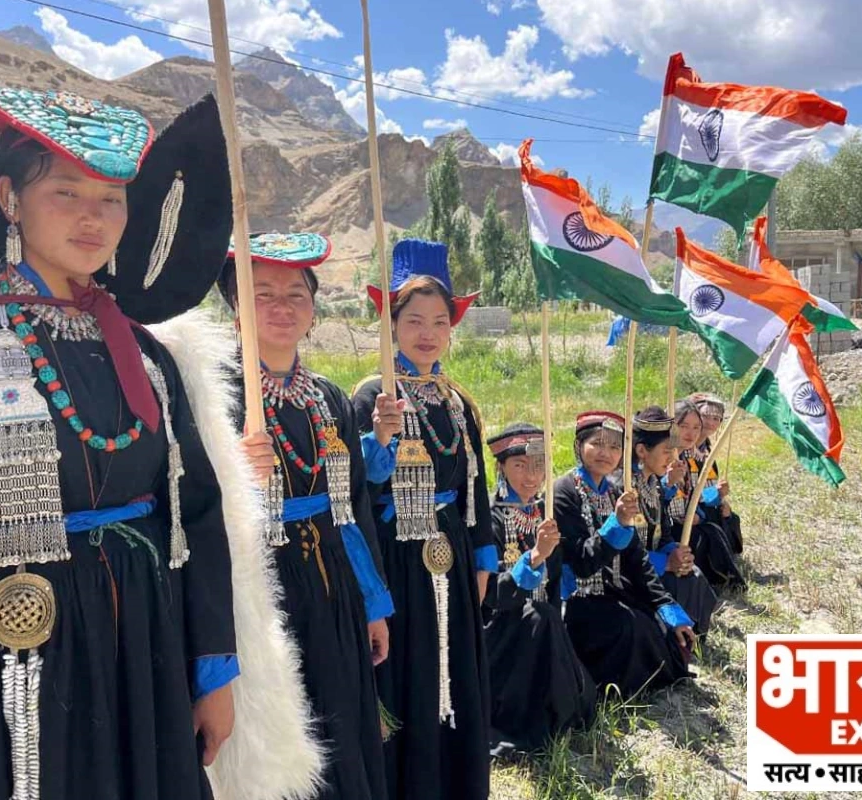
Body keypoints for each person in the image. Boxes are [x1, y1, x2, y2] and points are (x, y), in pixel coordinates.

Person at [0, 60, 317, 800]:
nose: (94, 218)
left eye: (112, 199)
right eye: (66, 192)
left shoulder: (149, 353)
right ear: (9, 198)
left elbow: (196, 515)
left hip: (140, 639)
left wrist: (213, 671)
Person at [223, 232, 400, 800]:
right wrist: (231, 474)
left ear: (314, 310)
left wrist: (372, 604)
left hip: (331, 580)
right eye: (263, 293)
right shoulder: (211, 392)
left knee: (342, 715)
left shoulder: (329, 398)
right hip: (256, 584)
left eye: (296, 294)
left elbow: (352, 513)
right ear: (235, 307)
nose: (282, 307)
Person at [352, 239, 494, 800]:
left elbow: (475, 486)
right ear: (391, 325)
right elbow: (355, 488)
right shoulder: (370, 396)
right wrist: (379, 438)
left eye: (439, 320)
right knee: (408, 672)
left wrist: (483, 556)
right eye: (414, 320)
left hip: (452, 552)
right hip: (396, 553)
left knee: (454, 669)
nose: (427, 333)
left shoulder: (457, 402)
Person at [552, 411, 695, 696]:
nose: (605, 453)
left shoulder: (615, 490)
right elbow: (581, 562)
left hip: (612, 589)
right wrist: (615, 524)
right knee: (628, 627)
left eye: (615, 447)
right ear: (579, 445)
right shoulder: (563, 491)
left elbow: (636, 557)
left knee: (657, 625)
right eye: (597, 444)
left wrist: (665, 605)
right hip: (577, 599)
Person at [482, 423, 594, 755]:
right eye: (520, 465)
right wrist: (533, 559)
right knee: (539, 616)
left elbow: (558, 581)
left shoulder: (545, 512)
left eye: (539, 465)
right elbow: (489, 595)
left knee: (546, 615)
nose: (531, 476)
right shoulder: (487, 519)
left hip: (542, 623)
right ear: (500, 466)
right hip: (499, 630)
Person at [631, 407, 717, 639]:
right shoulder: (624, 488)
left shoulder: (653, 484)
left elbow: (664, 532)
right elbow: (625, 552)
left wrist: (675, 551)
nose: (672, 458)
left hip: (653, 559)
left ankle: (692, 638)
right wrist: (665, 562)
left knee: (693, 573)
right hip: (634, 571)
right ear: (641, 450)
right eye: (667, 451)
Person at [665, 401, 745, 590]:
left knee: (722, 520)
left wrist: (716, 498)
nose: (690, 433)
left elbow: (694, 494)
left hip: (691, 514)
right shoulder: (666, 456)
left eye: (716, 418)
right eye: (683, 426)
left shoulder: (699, 454)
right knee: (704, 533)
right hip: (668, 524)